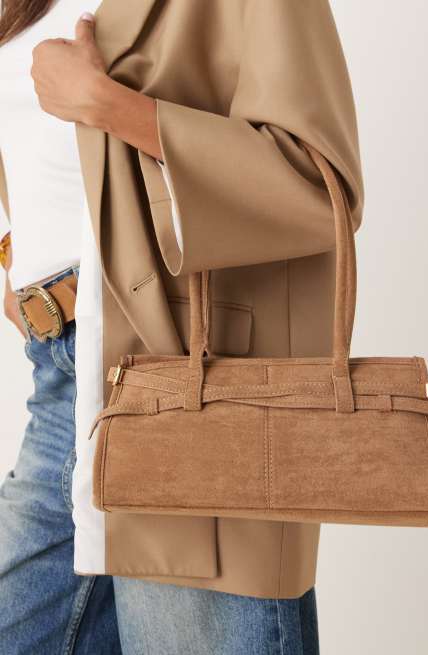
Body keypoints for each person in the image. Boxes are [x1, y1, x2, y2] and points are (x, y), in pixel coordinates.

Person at [0, 1, 364, 653]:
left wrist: (107, 105)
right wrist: (13, 258)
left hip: (186, 376)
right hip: (60, 379)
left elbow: (320, 183)